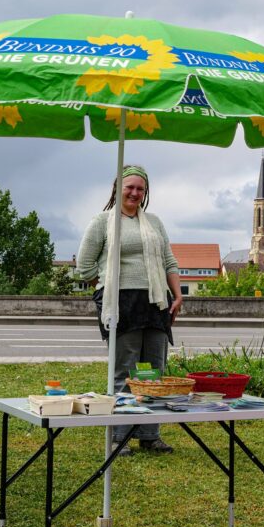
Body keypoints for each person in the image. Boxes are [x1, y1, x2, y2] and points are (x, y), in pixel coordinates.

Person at [77, 164, 183, 456]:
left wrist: (177, 294)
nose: (135, 193)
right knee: (125, 371)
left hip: (155, 303)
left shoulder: (155, 223)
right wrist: (109, 284)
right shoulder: (102, 222)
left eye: (140, 189)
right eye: (130, 187)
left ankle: (149, 434)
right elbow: (84, 267)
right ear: (117, 189)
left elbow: (169, 262)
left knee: (151, 370)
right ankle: (118, 436)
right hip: (122, 304)